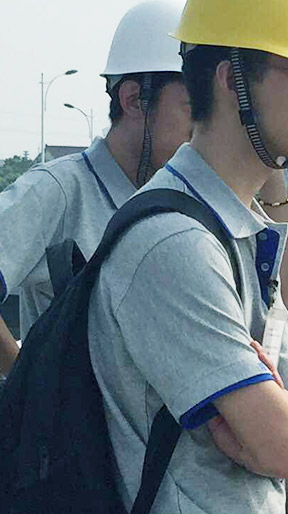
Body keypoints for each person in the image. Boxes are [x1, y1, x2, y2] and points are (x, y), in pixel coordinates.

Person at [85, 0, 288, 511]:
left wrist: (284, 430)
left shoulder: (237, 227)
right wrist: (281, 432)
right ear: (233, 80)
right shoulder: (173, 243)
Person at [0, 0, 206, 377]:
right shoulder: (60, 191)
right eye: (193, 108)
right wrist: (24, 387)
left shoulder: (189, 202)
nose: (202, 128)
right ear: (133, 99)